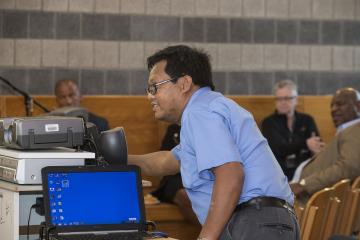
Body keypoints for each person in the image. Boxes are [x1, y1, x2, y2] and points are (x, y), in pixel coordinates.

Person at [129, 45, 299, 240]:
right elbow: (166, 162)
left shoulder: (199, 112)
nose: (149, 96)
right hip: (266, 221)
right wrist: (114, 157)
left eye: (154, 87)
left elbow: (231, 175)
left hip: (252, 223)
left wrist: (205, 238)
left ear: (184, 84)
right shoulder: (209, 108)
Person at [290, 88, 360, 205]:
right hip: (308, 201)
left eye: (340, 104)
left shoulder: (355, 129)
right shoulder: (346, 132)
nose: (333, 109)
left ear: (358, 107)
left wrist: (304, 184)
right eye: (332, 106)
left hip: (313, 204)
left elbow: (349, 167)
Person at [261, 80, 325, 179]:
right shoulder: (269, 122)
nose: (283, 102)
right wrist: (306, 144)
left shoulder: (307, 120)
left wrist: (314, 148)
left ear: (296, 100)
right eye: (279, 99)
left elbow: (317, 145)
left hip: (306, 172)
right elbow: (278, 149)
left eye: (287, 98)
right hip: (280, 174)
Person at [150, 124, 200, 225]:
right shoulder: (174, 129)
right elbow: (164, 159)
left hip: (201, 176)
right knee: (186, 195)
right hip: (175, 178)